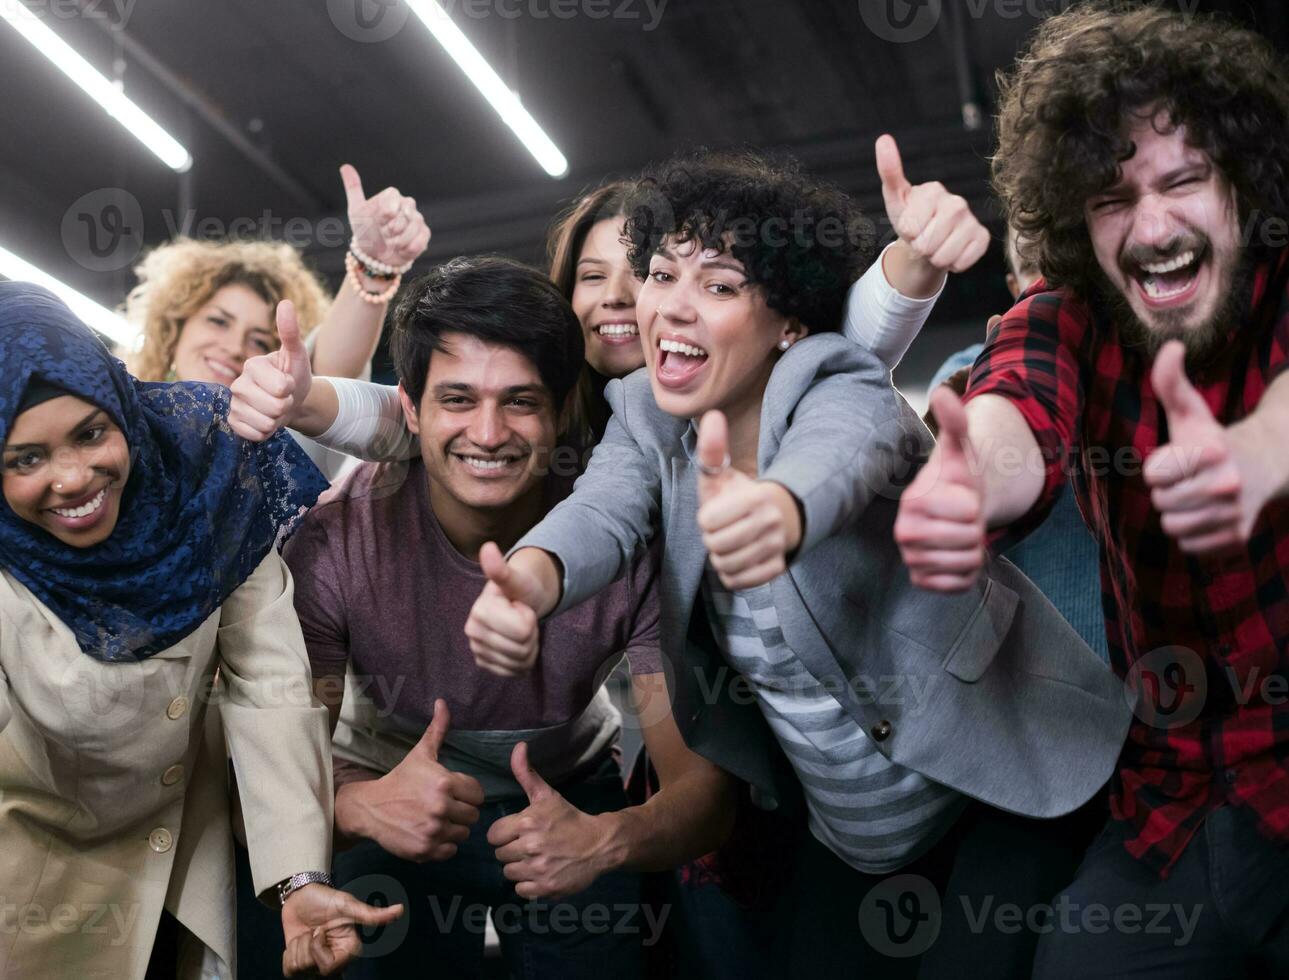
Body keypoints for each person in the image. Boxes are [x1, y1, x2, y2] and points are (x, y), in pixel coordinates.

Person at [464, 149, 1132, 979]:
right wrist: (528, 582)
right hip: (852, 836)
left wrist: (778, 510)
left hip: (1003, 781)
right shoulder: (642, 415)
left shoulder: (834, 378)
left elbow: (841, 455)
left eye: (717, 286)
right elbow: (600, 510)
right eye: (662, 275)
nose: (671, 307)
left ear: (787, 323)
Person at [894, 5, 1289, 976]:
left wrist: (1260, 453)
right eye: (1113, 198)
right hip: (1174, 812)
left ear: (1240, 183)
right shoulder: (1066, 319)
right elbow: (1014, 408)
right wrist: (965, 483)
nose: (1151, 226)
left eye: (1183, 181)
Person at [271, 255, 734, 979]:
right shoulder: (336, 539)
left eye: (520, 401)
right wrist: (360, 806)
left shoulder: (626, 534)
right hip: (385, 783)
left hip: (567, 793)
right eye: (457, 399)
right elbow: (270, 783)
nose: (487, 433)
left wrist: (603, 840)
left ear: (560, 412)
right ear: (411, 409)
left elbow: (701, 795)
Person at [0, 281, 401, 979]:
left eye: (91, 432)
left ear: (121, 406)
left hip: (183, 866)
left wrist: (298, 876)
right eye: (27, 458)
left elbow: (271, 685)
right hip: (31, 881)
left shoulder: (207, 469)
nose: (75, 477)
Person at [225, 135, 984, 472]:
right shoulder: (548, 409)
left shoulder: (768, 379)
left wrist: (916, 254)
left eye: (648, 272)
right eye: (592, 277)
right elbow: (409, 416)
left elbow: (851, 334)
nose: (630, 300)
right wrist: (303, 396)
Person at [124, 164, 429, 478]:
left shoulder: (280, 446)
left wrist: (372, 265)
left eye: (258, 340)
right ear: (173, 330)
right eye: (218, 321)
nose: (234, 347)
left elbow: (331, 370)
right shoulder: (119, 421)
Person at [923, 225, 1109, 663]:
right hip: (1039, 675)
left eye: (1063, 262)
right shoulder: (963, 369)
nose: (1049, 283)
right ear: (1013, 287)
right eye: (1033, 266)